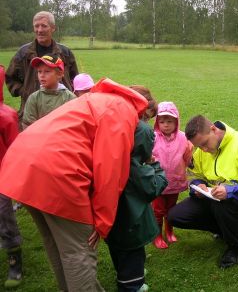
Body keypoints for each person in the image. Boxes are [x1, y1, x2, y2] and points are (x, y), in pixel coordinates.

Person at [0, 78, 148, 291]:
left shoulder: (94, 98)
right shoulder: (123, 110)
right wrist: (102, 221)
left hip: (21, 163)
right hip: (55, 171)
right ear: (142, 112)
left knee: (56, 244)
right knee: (79, 250)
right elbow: (110, 172)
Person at [167, 115, 238, 268]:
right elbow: (193, 174)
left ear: (214, 129)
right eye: (199, 147)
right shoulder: (202, 150)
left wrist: (230, 191)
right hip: (216, 198)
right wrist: (198, 185)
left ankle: (236, 248)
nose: (204, 150)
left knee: (223, 203)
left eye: (205, 144)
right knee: (175, 216)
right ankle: (224, 231)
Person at [106, 119, 168, 292]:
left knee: (118, 251)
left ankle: (123, 274)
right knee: (132, 254)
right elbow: (154, 186)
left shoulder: (110, 159)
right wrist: (154, 165)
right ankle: (132, 284)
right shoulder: (136, 167)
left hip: (113, 222)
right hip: (132, 223)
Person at [5, 11, 78, 127]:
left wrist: (68, 94)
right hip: (33, 114)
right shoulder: (23, 53)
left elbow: (75, 79)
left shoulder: (65, 53)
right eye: (36, 26)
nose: (39, 30)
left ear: (53, 28)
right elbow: (10, 78)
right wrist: (25, 91)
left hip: (62, 115)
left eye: (44, 25)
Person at [151, 101, 193, 249]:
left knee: (171, 209)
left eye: (169, 121)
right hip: (157, 182)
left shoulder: (183, 138)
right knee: (158, 210)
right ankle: (157, 236)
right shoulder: (153, 137)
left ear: (176, 121)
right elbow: (147, 156)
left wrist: (188, 165)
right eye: (162, 121)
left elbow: (188, 155)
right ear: (157, 122)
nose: (166, 125)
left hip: (175, 181)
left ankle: (169, 231)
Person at [0, 65, 22, 289]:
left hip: (2, 176)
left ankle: (15, 261)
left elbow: (13, 150)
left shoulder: (6, 116)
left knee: (4, 217)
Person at [21, 54, 76, 130]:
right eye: (39, 72)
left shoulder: (70, 98)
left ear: (59, 74)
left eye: (47, 71)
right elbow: (28, 124)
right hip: (38, 139)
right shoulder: (33, 98)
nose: (42, 75)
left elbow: (73, 124)